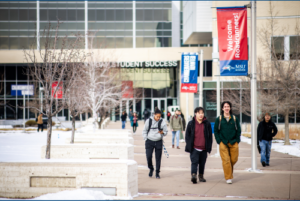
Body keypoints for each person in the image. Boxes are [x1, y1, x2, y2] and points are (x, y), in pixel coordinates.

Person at [214, 101, 241, 184]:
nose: (226, 108)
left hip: (233, 142)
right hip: (223, 142)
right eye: (225, 106)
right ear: (222, 108)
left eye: (228, 106)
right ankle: (228, 178)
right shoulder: (219, 119)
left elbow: (238, 130)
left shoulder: (234, 118)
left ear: (230, 108)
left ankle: (228, 171)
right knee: (226, 160)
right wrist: (219, 141)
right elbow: (216, 131)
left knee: (234, 159)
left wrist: (237, 140)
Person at [185, 107, 213, 184]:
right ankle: (193, 175)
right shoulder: (191, 123)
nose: (201, 115)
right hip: (194, 148)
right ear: (195, 113)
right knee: (194, 162)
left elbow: (210, 136)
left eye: (202, 113)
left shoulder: (207, 124)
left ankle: (201, 176)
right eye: (199, 113)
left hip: (204, 148)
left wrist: (209, 146)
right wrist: (189, 144)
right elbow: (187, 135)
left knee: (202, 163)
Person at [142, 109, 168, 179]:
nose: (158, 118)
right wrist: (146, 139)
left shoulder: (162, 122)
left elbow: (166, 131)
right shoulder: (149, 121)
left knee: (158, 158)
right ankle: (151, 168)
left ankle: (157, 172)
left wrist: (163, 133)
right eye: (157, 116)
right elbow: (144, 131)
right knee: (148, 156)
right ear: (154, 115)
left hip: (158, 141)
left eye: (159, 117)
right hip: (149, 141)